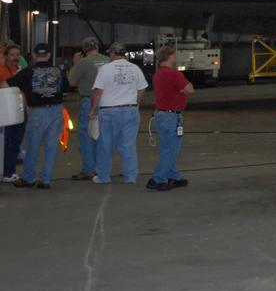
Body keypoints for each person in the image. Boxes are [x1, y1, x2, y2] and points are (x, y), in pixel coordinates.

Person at [90, 42, 149, 184]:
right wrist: (136, 104)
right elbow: (142, 90)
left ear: (112, 54)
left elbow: (98, 91)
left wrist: (93, 110)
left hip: (109, 111)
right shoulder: (135, 68)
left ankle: (103, 176)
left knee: (105, 145)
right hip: (130, 109)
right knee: (128, 145)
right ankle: (131, 176)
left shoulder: (105, 69)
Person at [9, 43, 65, 189]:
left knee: (32, 146)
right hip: (56, 111)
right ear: (49, 55)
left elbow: (7, 84)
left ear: (33, 56)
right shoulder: (58, 70)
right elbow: (67, 87)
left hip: (37, 112)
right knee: (51, 146)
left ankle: (28, 177)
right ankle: (46, 179)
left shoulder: (27, 72)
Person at [149, 45, 194, 191]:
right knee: (171, 149)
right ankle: (157, 179)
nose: (176, 57)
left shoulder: (158, 74)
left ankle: (173, 176)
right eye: (174, 55)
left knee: (166, 148)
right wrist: (182, 90)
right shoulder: (174, 74)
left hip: (160, 115)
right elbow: (190, 89)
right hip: (172, 116)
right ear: (170, 56)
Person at [67, 37, 110, 180]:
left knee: (87, 136)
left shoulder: (83, 62)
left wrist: (75, 63)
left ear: (84, 49)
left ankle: (88, 168)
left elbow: (71, 82)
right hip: (106, 101)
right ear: (97, 46)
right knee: (102, 135)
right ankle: (102, 167)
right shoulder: (108, 60)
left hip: (89, 100)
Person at [0, 43, 25, 181]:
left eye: (17, 55)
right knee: (7, 143)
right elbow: (6, 87)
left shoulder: (21, 70)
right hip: (6, 114)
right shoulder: (1, 70)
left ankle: (10, 171)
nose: (15, 58)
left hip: (20, 111)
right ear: (5, 57)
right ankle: (7, 172)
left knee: (15, 142)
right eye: (12, 55)